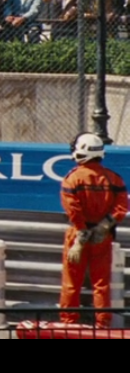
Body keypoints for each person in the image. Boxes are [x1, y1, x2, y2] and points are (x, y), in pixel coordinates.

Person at [58, 132, 128, 327]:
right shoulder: (114, 179)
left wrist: (81, 236)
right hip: (103, 236)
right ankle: (102, 324)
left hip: (77, 234)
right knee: (101, 283)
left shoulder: (72, 179)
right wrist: (103, 227)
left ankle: (69, 323)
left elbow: (73, 210)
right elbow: (122, 207)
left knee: (72, 282)